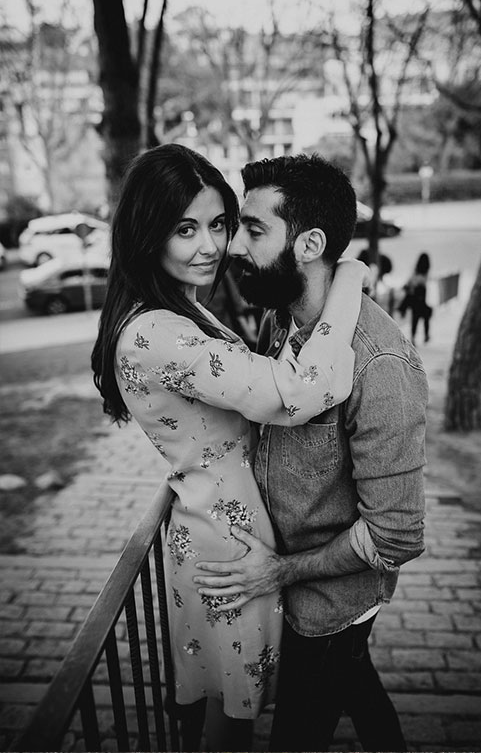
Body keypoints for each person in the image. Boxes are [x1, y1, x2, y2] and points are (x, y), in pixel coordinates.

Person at [90, 144, 368, 750]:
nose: (211, 247)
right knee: (230, 720)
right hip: (226, 546)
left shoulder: (180, 310)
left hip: (222, 526)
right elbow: (298, 393)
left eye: (219, 224)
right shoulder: (157, 332)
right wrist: (349, 278)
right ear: (148, 232)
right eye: (185, 228)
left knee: (233, 708)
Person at [191, 154, 429, 751]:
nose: (235, 246)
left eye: (254, 229)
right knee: (363, 694)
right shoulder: (282, 317)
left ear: (310, 244)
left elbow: (398, 536)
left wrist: (280, 570)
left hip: (328, 608)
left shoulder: (380, 366)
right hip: (294, 592)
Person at [400, 252, 433, 343]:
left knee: (415, 318)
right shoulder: (425, 274)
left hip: (414, 299)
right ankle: (426, 335)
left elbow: (409, 283)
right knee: (425, 317)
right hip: (421, 299)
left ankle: (413, 337)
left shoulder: (415, 272)